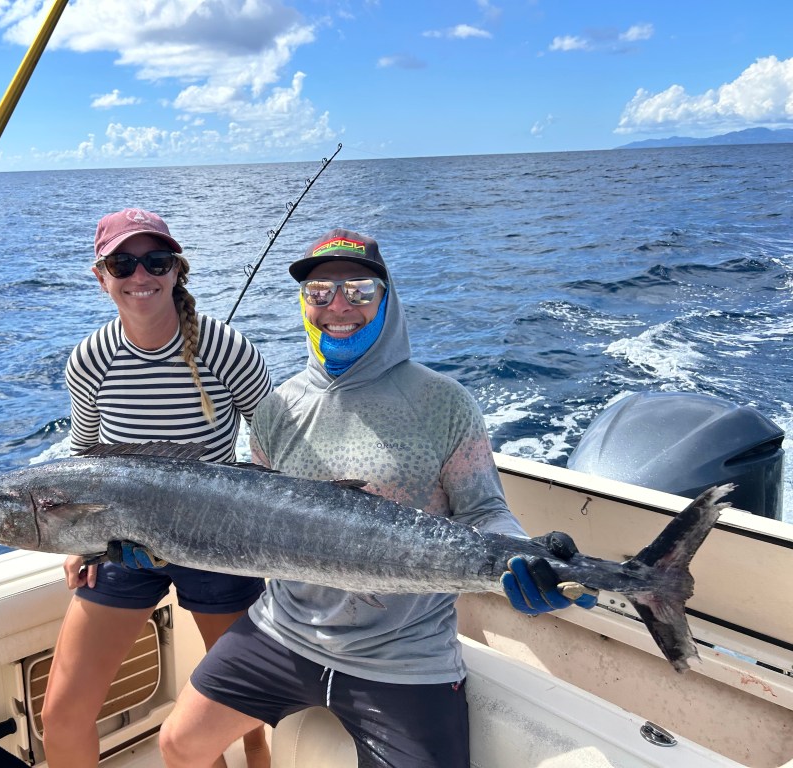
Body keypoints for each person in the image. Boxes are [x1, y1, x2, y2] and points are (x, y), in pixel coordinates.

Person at [158, 228, 596, 768]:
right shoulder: (277, 409)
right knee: (177, 743)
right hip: (284, 631)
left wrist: (528, 561)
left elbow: (484, 512)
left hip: (404, 656)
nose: (338, 307)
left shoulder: (445, 402)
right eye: (319, 294)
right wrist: (154, 541)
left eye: (359, 291)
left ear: (387, 300)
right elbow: (260, 517)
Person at [40, 208, 273, 768]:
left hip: (219, 545)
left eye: (155, 261)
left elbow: (274, 444)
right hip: (121, 549)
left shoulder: (225, 348)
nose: (139, 275)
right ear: (102, 276)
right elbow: (84, 457)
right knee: (61, 714)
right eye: (123, 263)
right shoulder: (91, 359)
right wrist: (80, 543)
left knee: (247, 720)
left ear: (176, 271)